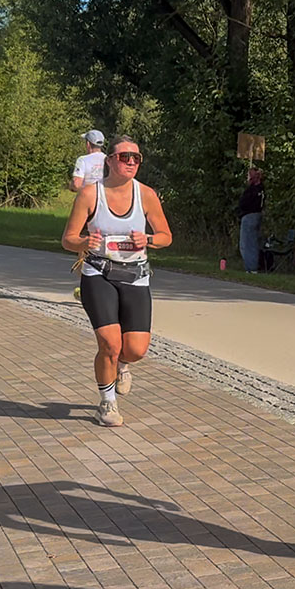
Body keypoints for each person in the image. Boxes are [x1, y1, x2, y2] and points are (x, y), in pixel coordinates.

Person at [61, 135, 172, 427]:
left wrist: (147, 238)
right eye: (125, 157)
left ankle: (122, 366)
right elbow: (68, 239)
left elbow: (165, 237)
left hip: (135, 275)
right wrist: (85, 240)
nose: (132, 162)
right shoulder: (89, 194)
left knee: (135, 349)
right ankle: (107, 402)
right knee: (109, 344)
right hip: (99, 273)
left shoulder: (146, 194)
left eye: (136, 158)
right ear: (109, 160)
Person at [238, 167, 265, 273]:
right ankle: (252, 266)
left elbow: (244, 202)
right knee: (252, 242)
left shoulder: (253, 190)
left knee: (247, 243)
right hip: (257, 215)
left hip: (249, 216)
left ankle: (251, 267)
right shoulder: (261, 189)